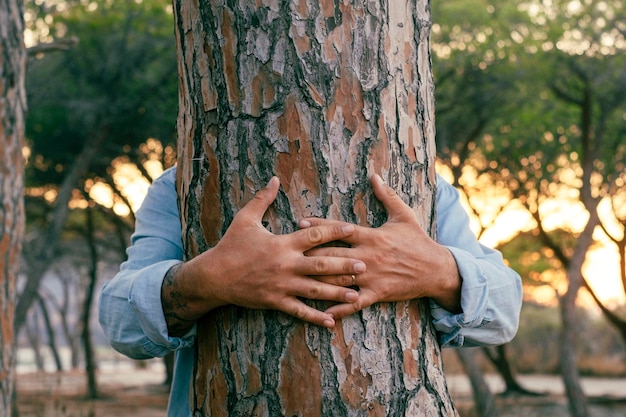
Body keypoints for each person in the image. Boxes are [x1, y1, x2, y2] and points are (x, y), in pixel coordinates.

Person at [99, 166, 522, 417]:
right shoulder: (181, 185)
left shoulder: (426, 188)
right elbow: (121, 324)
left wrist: (439, 271)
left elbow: (504, 312)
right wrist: (209, 280)